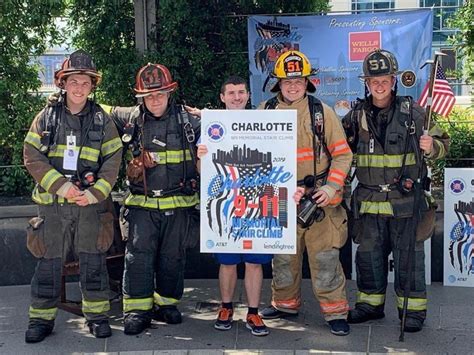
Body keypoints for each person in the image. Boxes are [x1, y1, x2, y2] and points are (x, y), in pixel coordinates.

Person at [342, 49, 449, 333]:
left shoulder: (416, 114)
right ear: (366, 83)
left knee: (408, 259)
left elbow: (443, 144)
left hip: (406, 204)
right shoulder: (354, 116)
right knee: (368, 257)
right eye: (373, 80)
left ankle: (412, 311)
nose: (379, 85)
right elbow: (339, 152)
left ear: (394, 80)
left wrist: (433, 146)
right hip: (368, 203)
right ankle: (370, 305)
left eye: (384, 79)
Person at [23, 49, 123, 343]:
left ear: (92, 86)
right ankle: (41, 319)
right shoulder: (46, 117)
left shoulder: (102, 120)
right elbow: (31, 156)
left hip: (90, 207)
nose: (79, 88)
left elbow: (114, 159)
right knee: (48, 263)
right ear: (63, 83)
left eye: (85, 82)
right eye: (74, 81)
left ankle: (97, 317)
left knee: (93, 262)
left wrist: (94, 193)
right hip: (53, 206)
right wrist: (62, 187)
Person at [258, 50, 353, 336]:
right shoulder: (264, 112)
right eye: (287, 81)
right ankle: (285, 304)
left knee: (326, 260)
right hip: (281, 198)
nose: (293, 86)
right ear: (278, 83)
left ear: (308, 82)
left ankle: (336, 312)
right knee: (283, 259)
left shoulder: (322, 113)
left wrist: (330, 187)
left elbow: (343, 155)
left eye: (299, 80)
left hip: (319, 200)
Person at [108, 63, 200, 335]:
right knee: (138, 258)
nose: (155, 99)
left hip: (179, 204)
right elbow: (95, 108)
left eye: (160, 93)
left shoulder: (190, 120)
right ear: (141, 97)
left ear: (170, 92)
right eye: (149, 95)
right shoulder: (130, 118)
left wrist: (207, 114)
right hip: (142, 206)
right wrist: (61, 98)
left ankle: (167, 304)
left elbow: (229, 127)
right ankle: (137, 311)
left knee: (173, 258)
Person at [196, 76, 272, 336]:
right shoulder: (210, 126)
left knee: (254, 262)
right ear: (222, 97)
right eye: (231, 93)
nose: (236, 97)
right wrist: (202, 158)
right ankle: (226, 307)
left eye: (241, 92)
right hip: (226, 203)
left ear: (249, 95)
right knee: (227, 262)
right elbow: (200, 170)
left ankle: (253, 313)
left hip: (257, 203)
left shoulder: (264, 123)